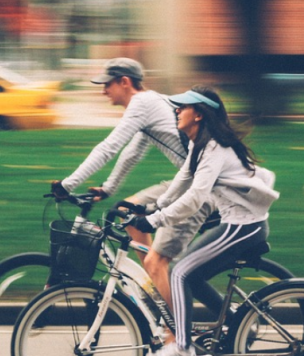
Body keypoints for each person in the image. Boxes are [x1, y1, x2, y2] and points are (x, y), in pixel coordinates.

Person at [132, 86, 280, 356]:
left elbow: (195, 197)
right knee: (192, 276)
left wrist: (154, 220)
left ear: (198, 114)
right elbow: (183, 179)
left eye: (182, 107)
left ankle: (183, 347)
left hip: (244, 228)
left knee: (180, 274)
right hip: (236, 225)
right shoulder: (201, 145)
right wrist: (153, 206)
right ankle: (237, 322)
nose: (176, 111)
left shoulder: (215, 148)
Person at [50, 57, 213, 312]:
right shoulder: (150, 103)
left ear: (125, 82)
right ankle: (155, 288)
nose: (103, 90)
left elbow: (109, 147)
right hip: (189, 179)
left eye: (107, 84)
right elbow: (132, 152)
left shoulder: (142, 103)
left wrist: (68, 184)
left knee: (157, 260)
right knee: (128, 211)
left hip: (199, 186)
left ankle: (176, 330)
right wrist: (108, 188)